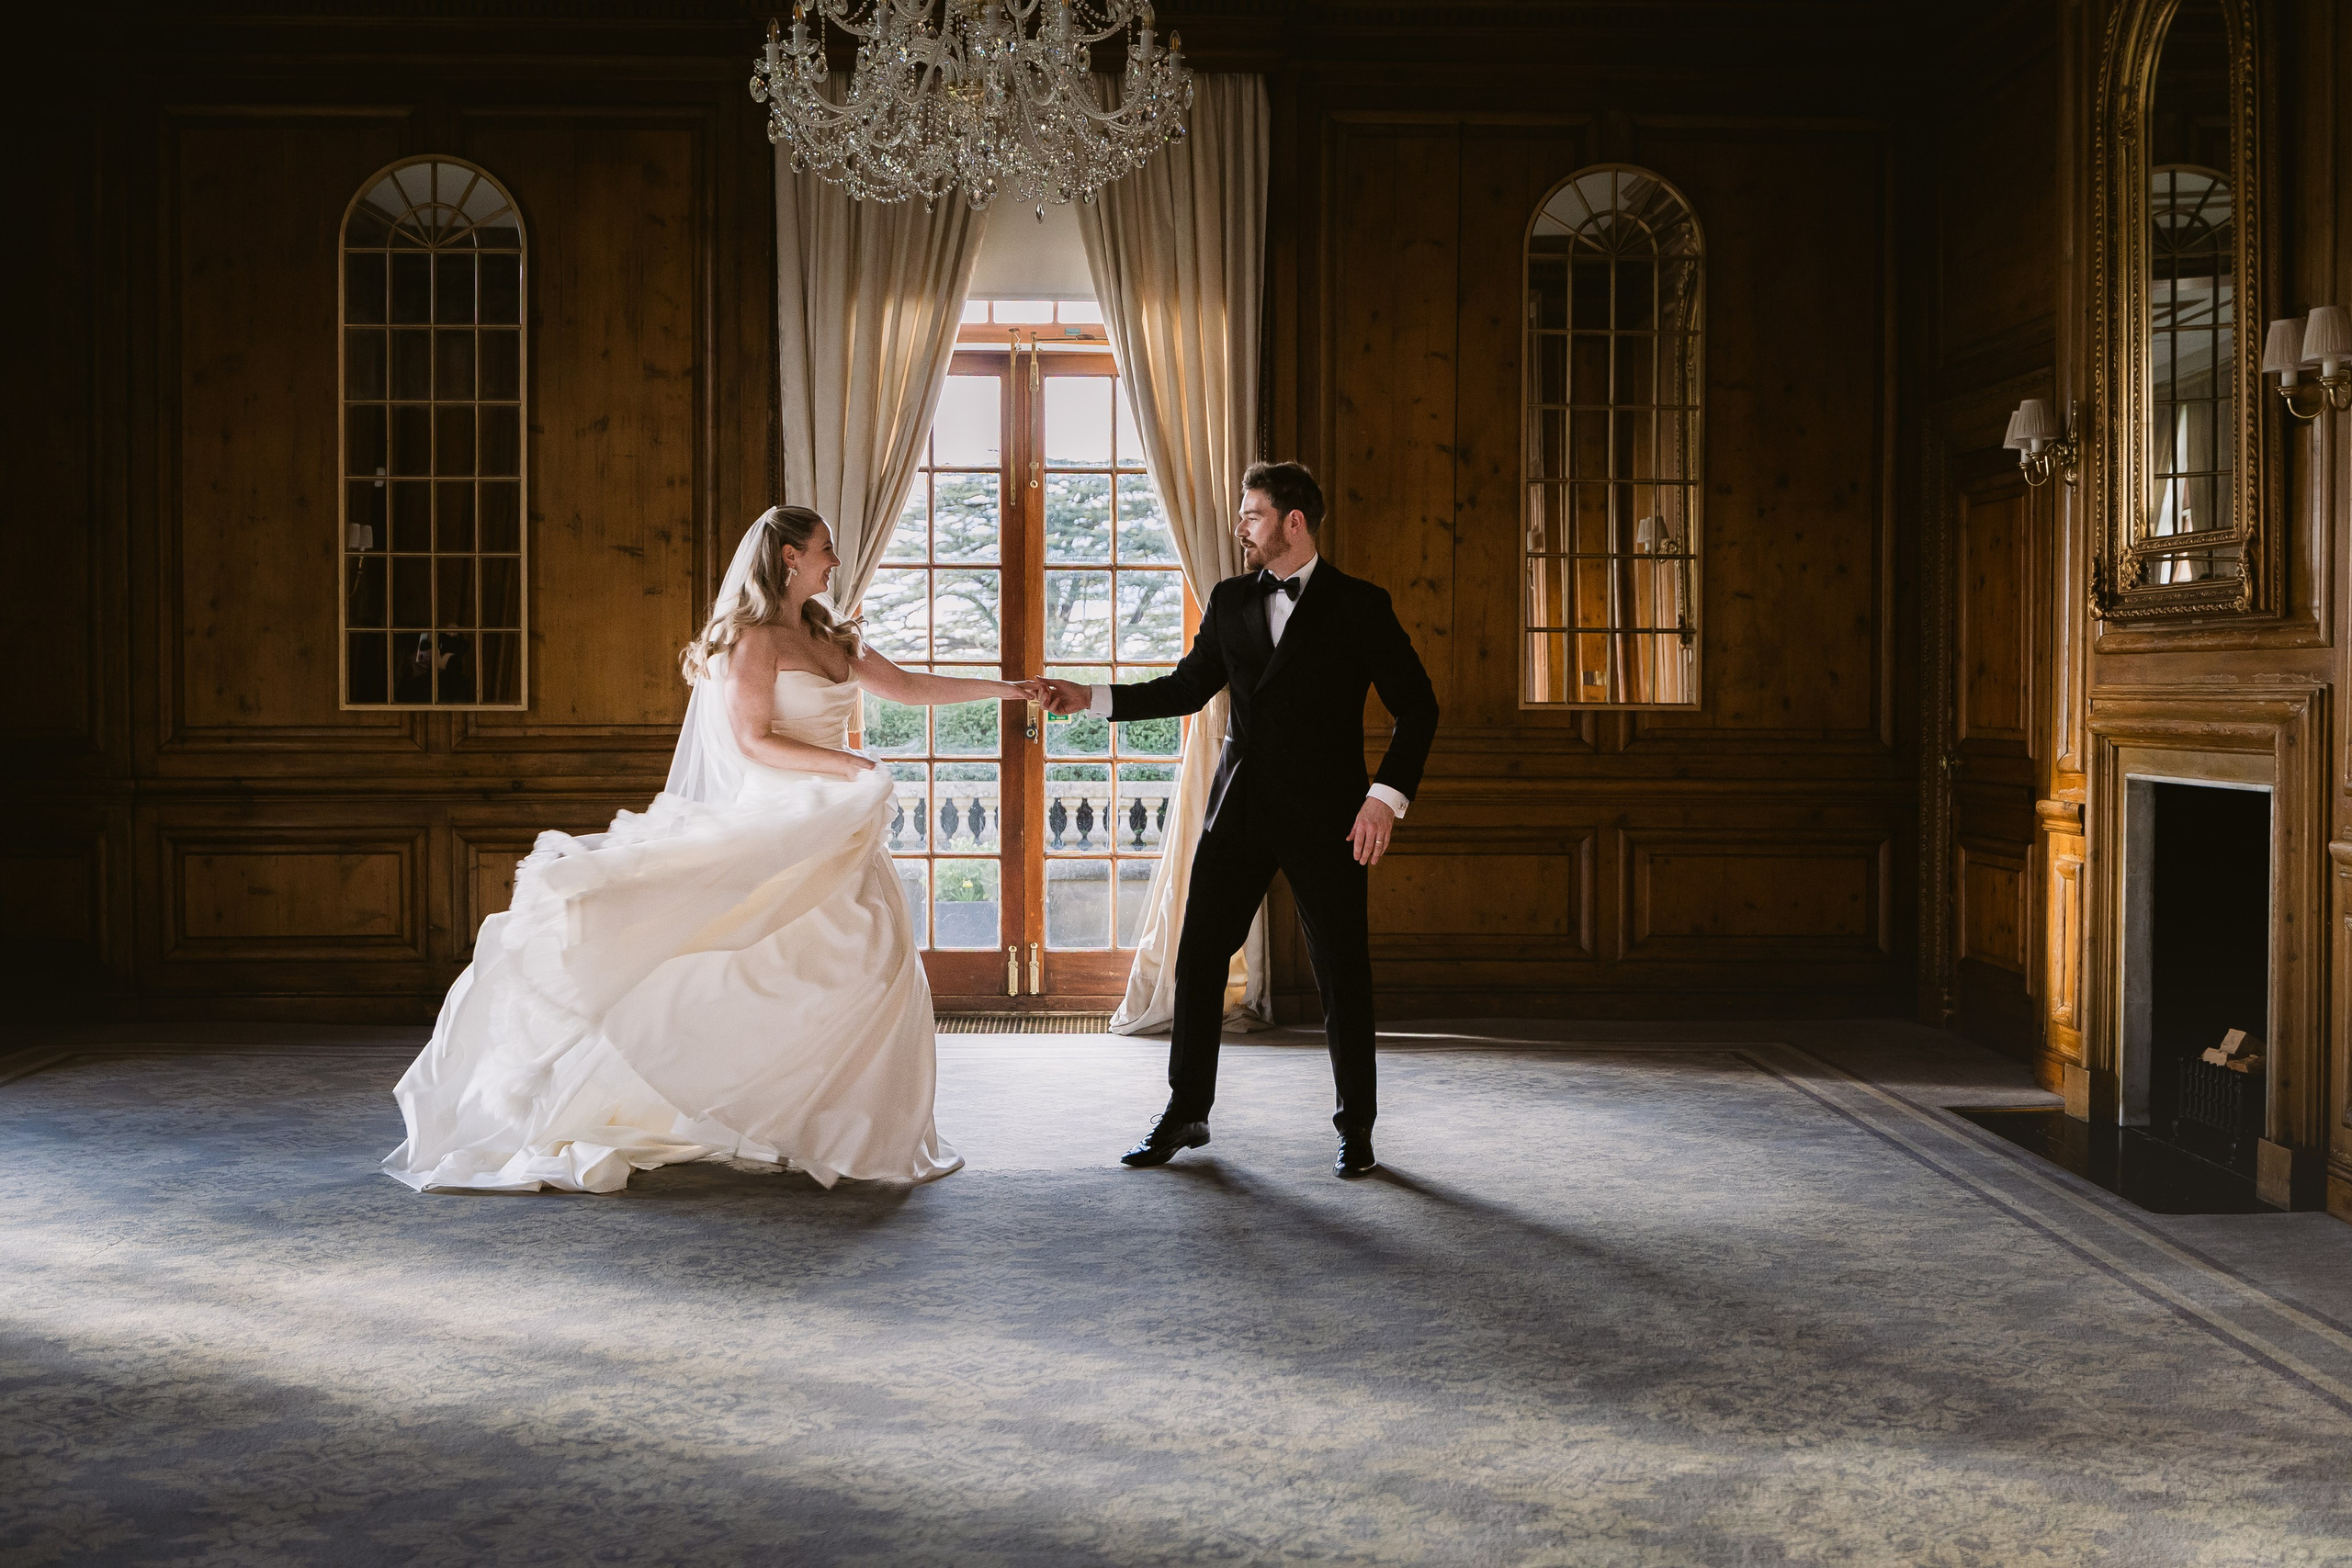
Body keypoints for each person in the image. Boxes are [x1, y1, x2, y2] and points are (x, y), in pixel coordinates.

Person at [382, 505, 1029, 1193]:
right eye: (825, 550)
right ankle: (690, 1094)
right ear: (788, 558)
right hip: (783, 823)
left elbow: (908, 686)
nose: (834, 563)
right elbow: (753, 740)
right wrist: (853, 767)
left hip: (839, 828)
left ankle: (837, 1127)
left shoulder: (829, 634)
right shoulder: (753, 640)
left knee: (872, 966)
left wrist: (1009, 689)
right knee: (741, 969)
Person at [1033, 461, 1439, 1178]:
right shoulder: (1227, 601)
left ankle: (1358, 1128)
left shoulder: (1361, 606)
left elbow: (1420, 707)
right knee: (1197, 959)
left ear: (1293, 522)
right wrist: (1089, 696)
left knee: (1343, 971)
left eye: (1251, 513)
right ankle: (1186, 1111)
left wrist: (1385, 796)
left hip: (1331, 815)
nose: (1239, 526)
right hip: (1241, 808)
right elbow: (1187, 689)